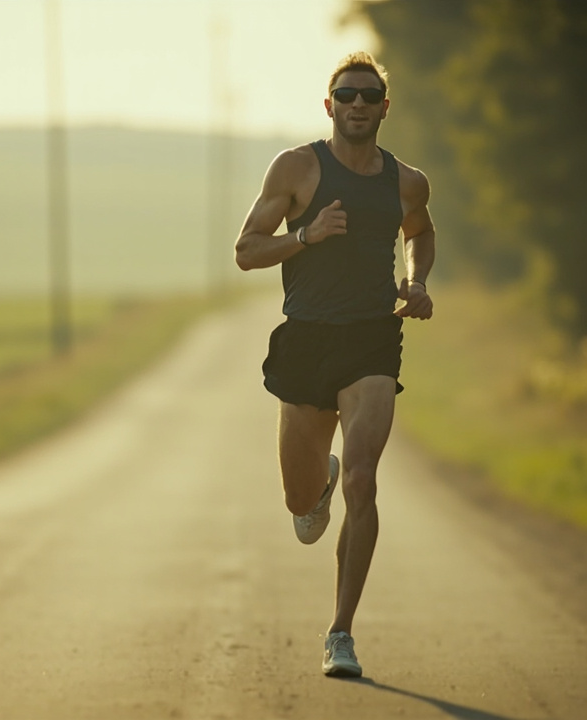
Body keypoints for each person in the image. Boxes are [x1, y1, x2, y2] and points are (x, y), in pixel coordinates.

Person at [233, 51, 435, 678]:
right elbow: (246, 251)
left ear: (384, 107)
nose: (357, 104)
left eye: (368, 96)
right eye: (346, 95)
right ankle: (316, 483)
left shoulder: (407, 181)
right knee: (300, 501)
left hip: (372, 338)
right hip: (307, 339)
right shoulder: (296, 168)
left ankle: (341, 632)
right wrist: (306, 236)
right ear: (329, 105)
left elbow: (420, 232)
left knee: (364, 480)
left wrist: (416, 281)